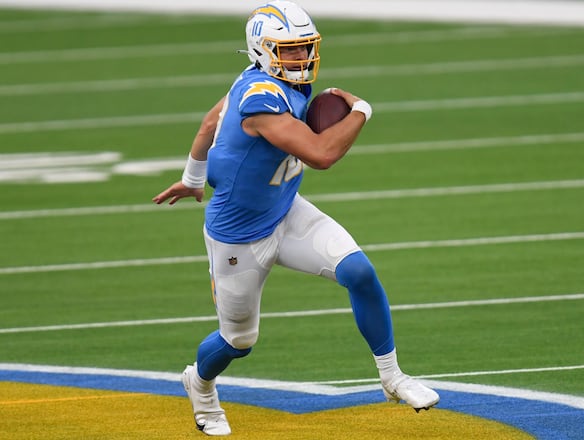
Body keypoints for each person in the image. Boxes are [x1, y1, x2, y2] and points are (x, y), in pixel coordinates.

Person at [152, 1, 439, 436]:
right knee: (238, 342)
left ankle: (392, 376)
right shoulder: (261, 98)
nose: (301, 59)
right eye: (289, 51)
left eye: (305, 48)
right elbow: (322, 155)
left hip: (285, 211)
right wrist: (362, 111)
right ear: (262, 51)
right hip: (239, 238)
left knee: (359, 271)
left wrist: (192, 178)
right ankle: (200, 383)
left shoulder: (270, 83)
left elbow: (211, 120)